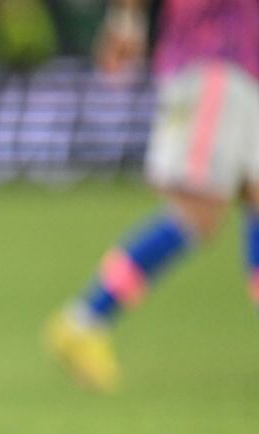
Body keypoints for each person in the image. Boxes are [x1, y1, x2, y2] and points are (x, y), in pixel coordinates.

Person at [47, 0, 259, 392]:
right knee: (197, 213)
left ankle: (85, 320)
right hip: (214, 58)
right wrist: (125, 19)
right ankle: (85, 320)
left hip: (243, 65)